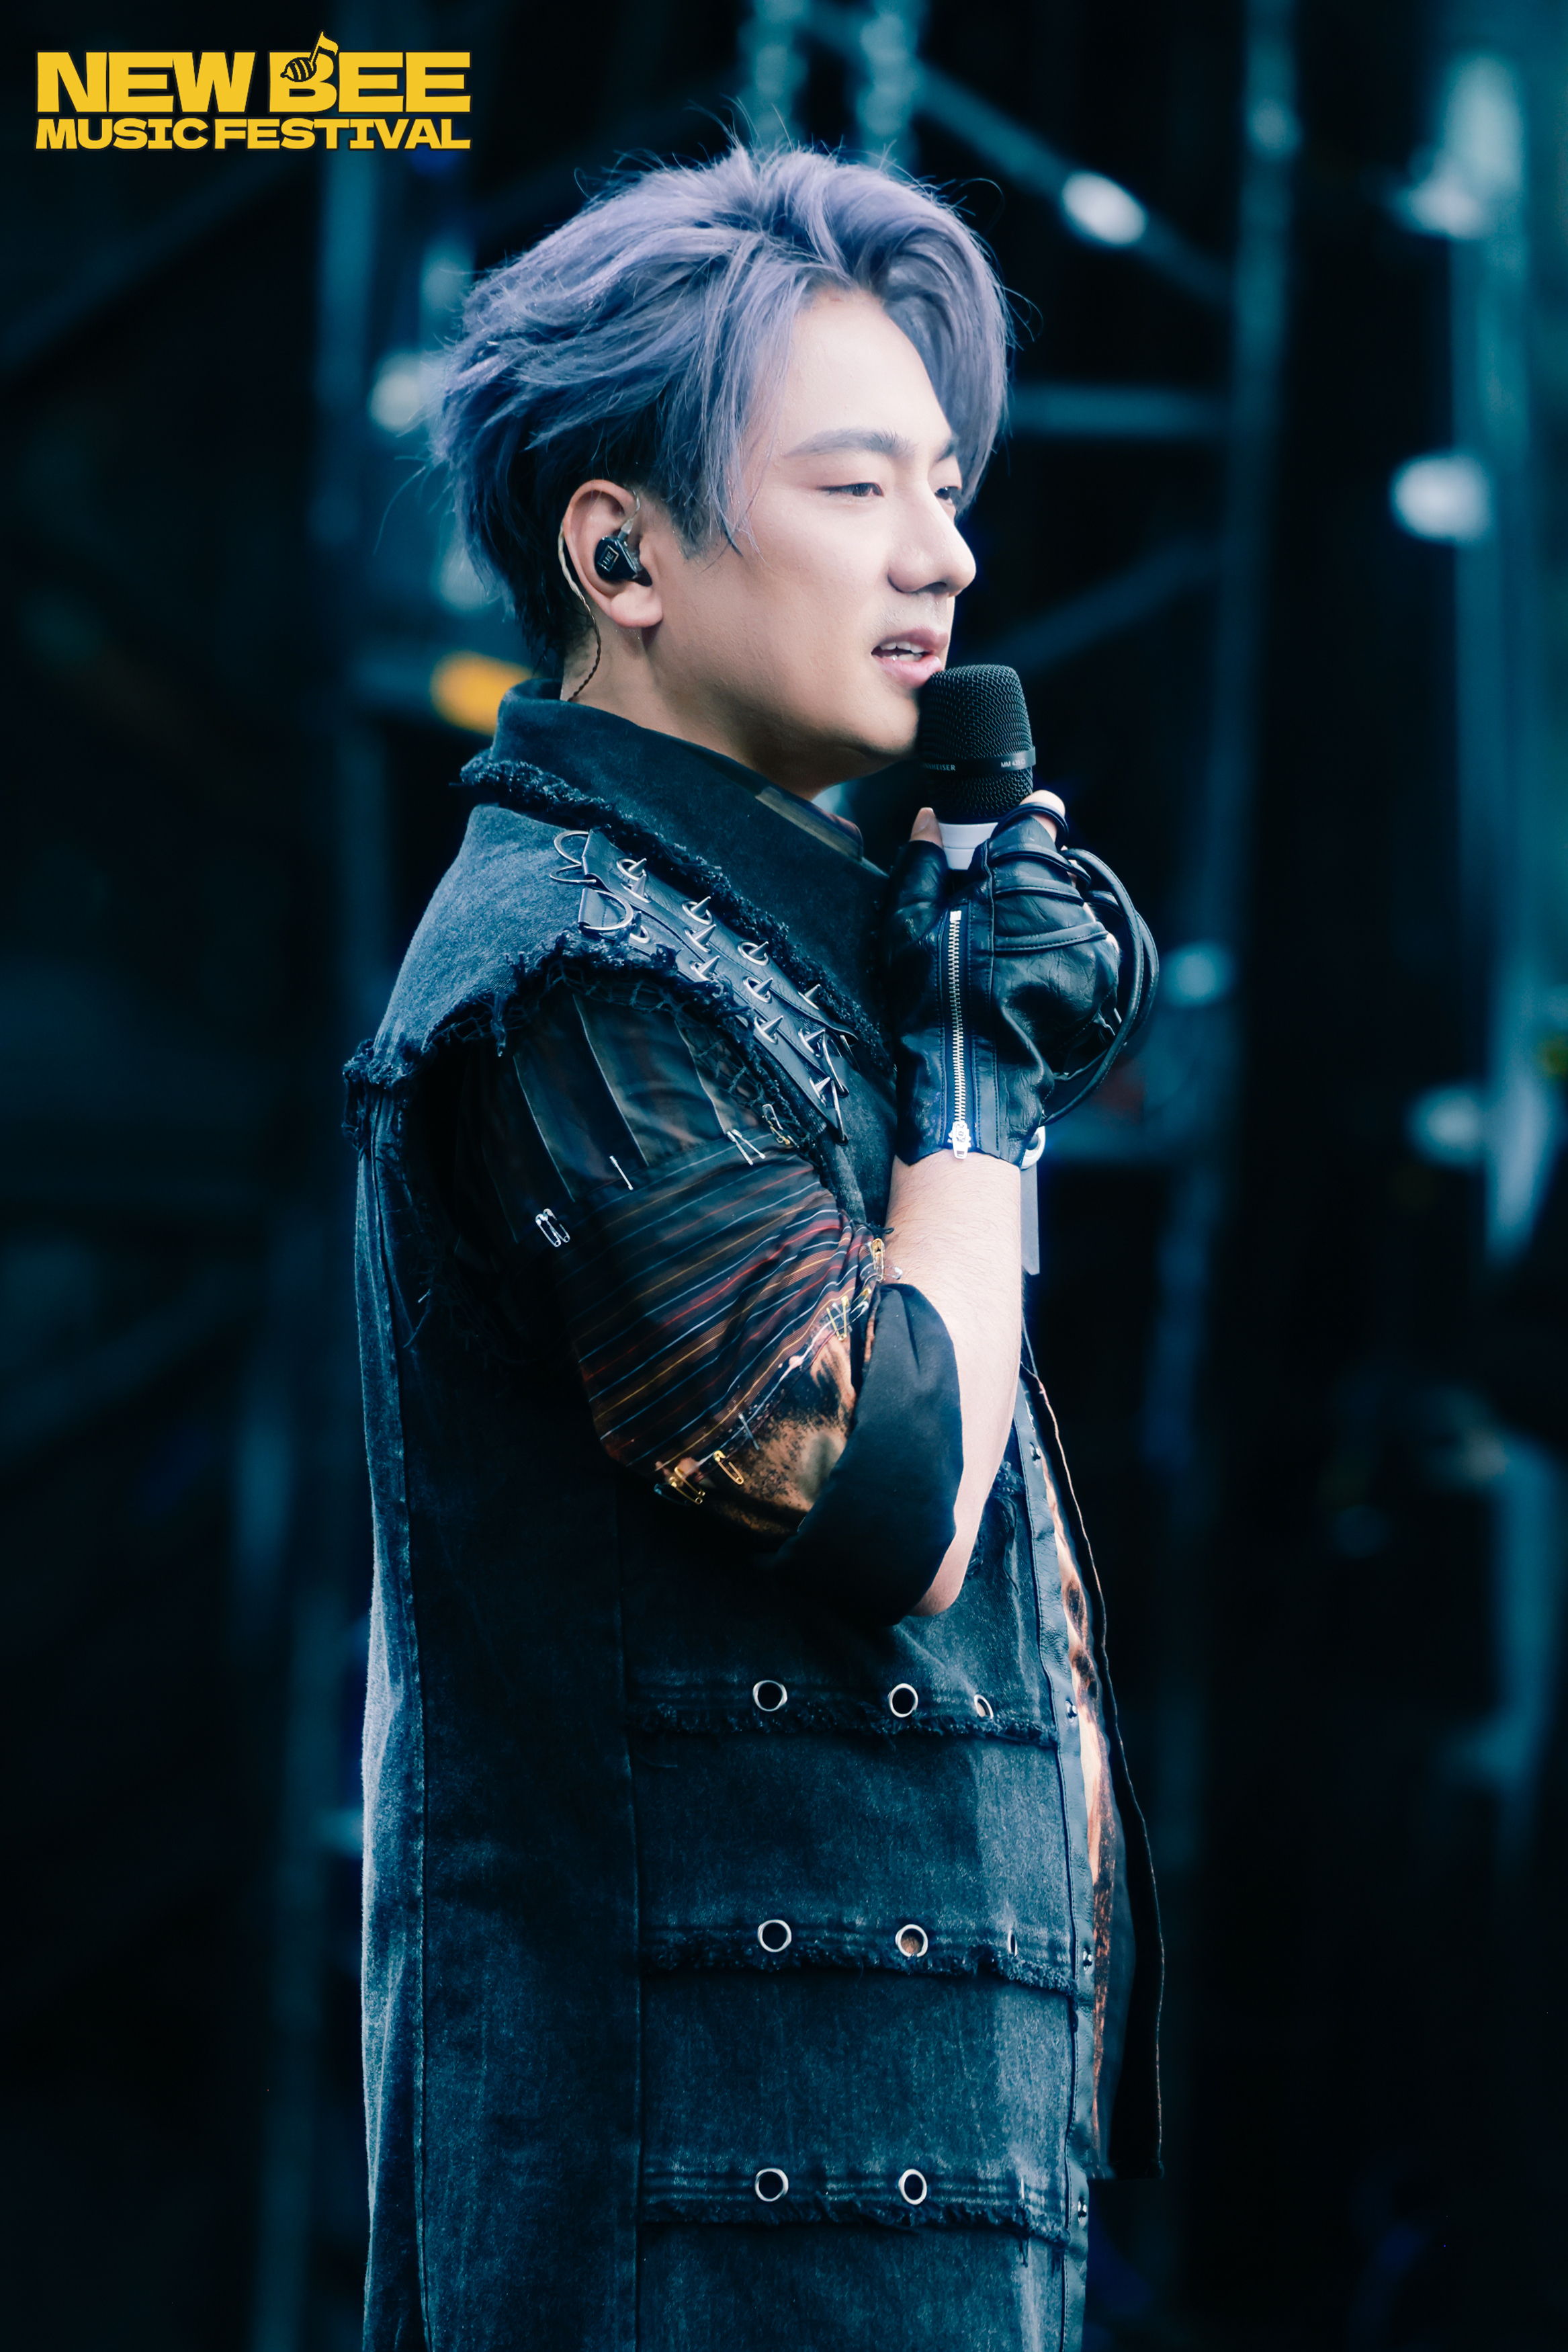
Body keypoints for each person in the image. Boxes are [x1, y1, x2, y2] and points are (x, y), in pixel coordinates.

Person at [346, 140, 1160, 2352]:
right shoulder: (578, 979)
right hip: (691, 2254)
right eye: (856, 487)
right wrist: (973, 1080)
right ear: (619, 549)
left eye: (948, 487)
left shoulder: (759, 948)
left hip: (852, 2241)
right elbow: (890, 1487)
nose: (944, 554)